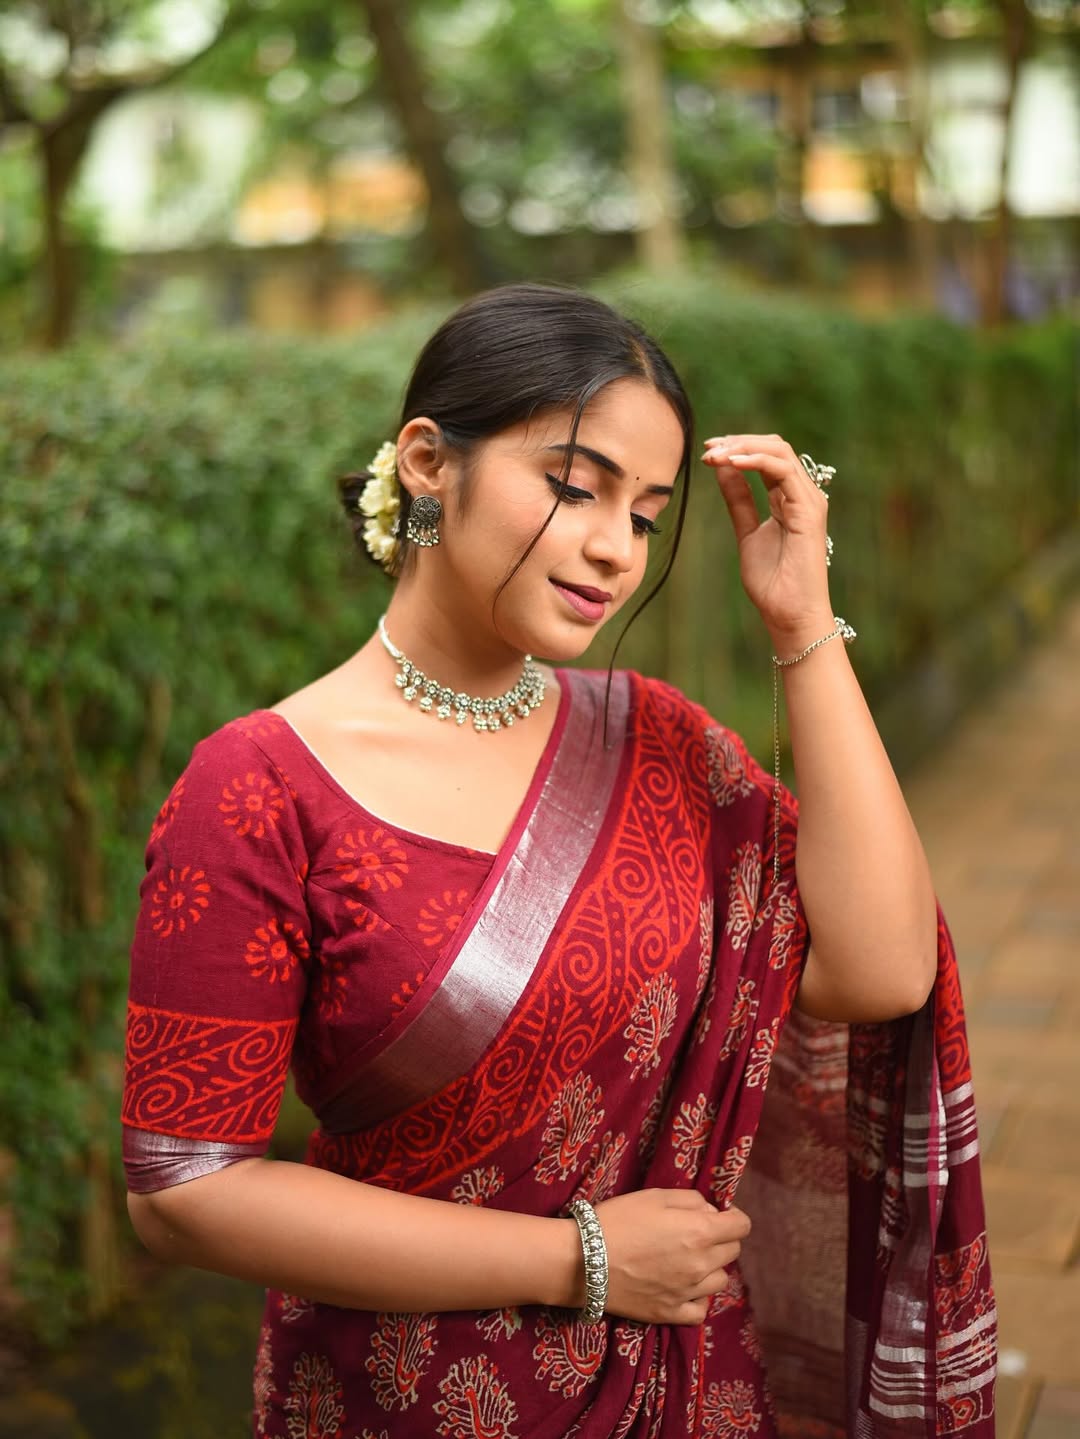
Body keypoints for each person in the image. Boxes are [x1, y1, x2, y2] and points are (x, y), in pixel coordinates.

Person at [121, 283, 996, 1438]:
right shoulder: (261, 789)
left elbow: (882, 970)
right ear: (430, 461)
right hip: (402, 1393)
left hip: (684, 1384)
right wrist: (578, 1257)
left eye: (644, 513)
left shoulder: (661, 741)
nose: (612, 547)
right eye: (574, 486)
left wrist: (801, 625)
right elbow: (185, 1191)